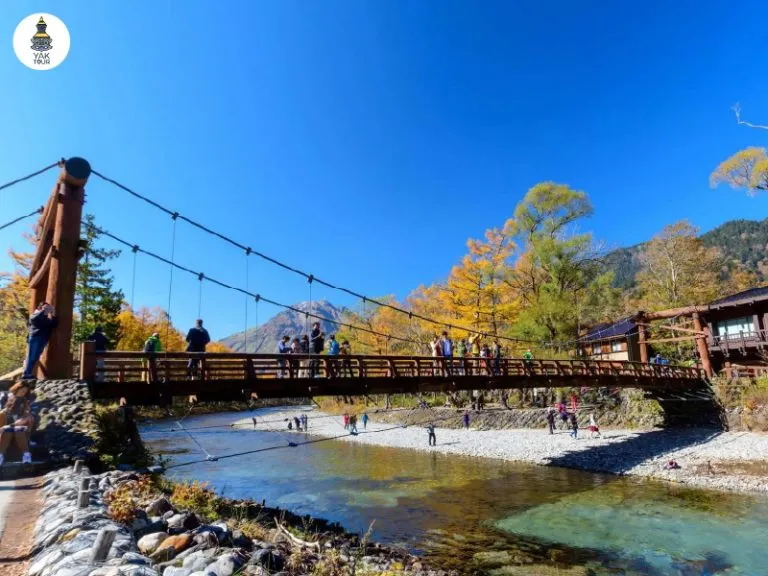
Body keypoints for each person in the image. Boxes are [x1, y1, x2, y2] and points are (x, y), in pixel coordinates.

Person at [0, 382, 34, 465]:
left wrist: (11, 425)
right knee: (7, 431)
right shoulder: (5, 398)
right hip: (5, 431)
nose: (23, 393)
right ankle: (0, 456)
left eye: (25, 392)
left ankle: (26, 456)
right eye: (21, 390)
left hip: (19, 430)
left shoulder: (26, 402)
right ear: (16, 389)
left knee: (18, 430)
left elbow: (27, 417)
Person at [23, 302, 58, 379]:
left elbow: (54, 324)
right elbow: (35, 319)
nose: (47, 309)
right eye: (45, 307)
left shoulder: (46, 319)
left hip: (43, 339)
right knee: (31, 356)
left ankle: (28, 374)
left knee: (36, 357)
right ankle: (26, 374)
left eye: (48, 308)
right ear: (40, 307)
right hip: (35, 337)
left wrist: (53, 314)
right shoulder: (35, 315)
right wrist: (44, 310)